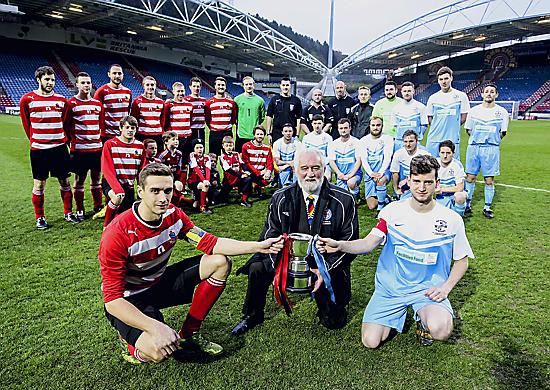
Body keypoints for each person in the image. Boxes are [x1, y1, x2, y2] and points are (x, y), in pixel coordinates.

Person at [99, 162, 283, 364]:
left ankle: (189, 333)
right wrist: (155, 327)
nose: (163, 198)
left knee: (220, 262)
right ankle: (129, 344)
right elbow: (113, 301)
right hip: (129, 299)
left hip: (159, 284)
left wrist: (259, 246)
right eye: (155, 191)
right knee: (159, 352)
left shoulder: (174, 215)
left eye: (167, 190)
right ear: (140, 191)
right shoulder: (117, 234)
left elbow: (211, 243)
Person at [316, 154, 474, 348]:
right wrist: (340, 245)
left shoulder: (451, 219)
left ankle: (423, 320)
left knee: (441, 330)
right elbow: (368, 243)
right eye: (416, 181)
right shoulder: (392, 212)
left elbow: (462, 261)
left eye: (427, 182)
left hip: (427, 290)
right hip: (391, 289)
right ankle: (393, 315)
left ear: (437, 183)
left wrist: (445, 288)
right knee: (370, 341)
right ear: (408, 180)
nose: (422, 188)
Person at [232, 149, 359, 335]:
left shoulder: (344, 200)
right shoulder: (281, 197)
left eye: (315, 168)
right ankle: (252, 314)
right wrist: (275, 249)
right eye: (304, 168)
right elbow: (269, 233)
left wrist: (324, 269)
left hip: (326, 263)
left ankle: (328, 303)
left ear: (324, 169)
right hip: (286, 258)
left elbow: (351, 242)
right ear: (295, 170)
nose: (310, 174)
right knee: (257, 266)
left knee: (334, 321)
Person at [20, 65, 79, 229]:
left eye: (52, 79)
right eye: (47, 79)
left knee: (65, 181)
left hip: (59, 148)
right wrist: (36, 141)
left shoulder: (61, 101)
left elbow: (66, 123)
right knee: (39, 184)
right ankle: (40, 218)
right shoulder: (27, 100)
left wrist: (62, 139)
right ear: (38, 79)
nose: (50, 82)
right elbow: (27, 124)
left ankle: (68, 212)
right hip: (39, 150)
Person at [463, 83, 509, 219]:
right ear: (482, 94)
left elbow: (503, 132)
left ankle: (487, 207)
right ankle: (467, 205)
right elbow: (468, 129)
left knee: (489, 180)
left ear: (496, 94)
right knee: (470, 177)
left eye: (492, 91)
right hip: (474, 147)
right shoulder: (474, 111)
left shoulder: (502, 112)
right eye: (486, 91)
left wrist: (492, 141)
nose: (489, 93)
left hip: (491, 148)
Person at [64, 71, 104, 220]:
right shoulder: (71, 103)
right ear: (77, 84)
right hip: (80, 150)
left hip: (96, 149)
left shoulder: (97, 104)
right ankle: (80, 209)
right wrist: (73, 143)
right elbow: (66, 126)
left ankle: (97, 205)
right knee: (79, 180)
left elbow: (100, 125)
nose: (86, 85)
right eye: (83, 83)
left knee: (96, 178)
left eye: (88, 82)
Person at [101, 115, 146, 227]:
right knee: (117, 197)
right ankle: (106, 226)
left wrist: (143, 187)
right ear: (121, 128)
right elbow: (107, 169)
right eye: (127, 127)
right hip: (111, 183)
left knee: (125, 218)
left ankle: (110, 211)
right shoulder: (110, 144)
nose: (130, 130)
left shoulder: (140, 146)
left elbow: (142, 170)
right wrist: (117, 188)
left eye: (133, 128)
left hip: (129, 186)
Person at [426, 67, 470, 158]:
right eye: (441, 79)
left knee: (452, 168)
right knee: (431, 168)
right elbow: (429, 118)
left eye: (446, 78)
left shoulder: (461, 96)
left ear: (451, 78)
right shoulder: (433, 98)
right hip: (434, 139)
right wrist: (438, 126)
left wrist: (453, 125)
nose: (444, 82)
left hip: (452, 139)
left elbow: (464, 116)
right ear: (438, 81)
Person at [358, 117, 394, 212]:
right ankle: (386, 198)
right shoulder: (363, 140)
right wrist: (371, 173)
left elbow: (387, 157)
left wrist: (381, 173)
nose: (375, 128)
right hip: (370, 174)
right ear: (369, 126)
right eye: (373, 125)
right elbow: (364, 160)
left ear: (382, 126)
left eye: (378, 125)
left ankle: (380, 208)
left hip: (384, 172)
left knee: (380, 181)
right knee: (371, 205)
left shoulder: (388, 139)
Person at [163, 81, 194, 190]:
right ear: (173, 92)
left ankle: (184, 185)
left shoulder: (189, 105)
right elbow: (165, 122)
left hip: (187, 138)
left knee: (185, 163)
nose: (180, 93)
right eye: (178, 91)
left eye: (182, 91)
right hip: (176, 139)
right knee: (174, 163)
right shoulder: (169, 105)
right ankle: (171, 184)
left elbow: (190, 120)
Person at [94, 64, 132, 142]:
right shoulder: (101, 92)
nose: (117, 76)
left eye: (119, 73)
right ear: (109, 74)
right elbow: (95, 115)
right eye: (114, 73)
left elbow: (127, 112)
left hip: (123, 134)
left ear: (123, 75)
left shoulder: (128, 92)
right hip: (107, 135)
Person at [390, 130, 431, 200]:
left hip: (420, 186)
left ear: (417, 141)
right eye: (405, 142)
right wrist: (396, 189)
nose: (408, 144)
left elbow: (428, 175)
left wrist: (408, 180)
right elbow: (395, 173)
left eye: (411, 141)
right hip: (404, 187)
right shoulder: (398, 154)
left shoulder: (424, 154)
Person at [328, 118, 362, 196]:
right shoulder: (333, 144)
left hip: (354, 174)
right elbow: (331, 161)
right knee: (342, 197)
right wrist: (339, 174)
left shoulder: (356, 142)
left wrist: (350, 175)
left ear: (350, 128)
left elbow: (359, 160)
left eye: (346, 128)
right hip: (341, 175)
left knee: (351, 183)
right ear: (338, 129)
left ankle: (356, 195)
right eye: (341, 128)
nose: (343, 130)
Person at [205, 76, 237, 156]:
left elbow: (233, 118)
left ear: (225, 87)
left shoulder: (231, 102)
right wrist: (214, 127)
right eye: (218, 85)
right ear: (215, 86)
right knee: (213, 157)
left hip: (227, 132)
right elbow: (207, 119)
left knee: (229, 157)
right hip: (214, 133)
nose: (220, 87)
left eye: (222, 85)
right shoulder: (209, 102)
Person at [131, 76, 165, 151]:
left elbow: (162, 120)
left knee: (158, 158)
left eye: (152, 85)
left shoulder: (161, 102)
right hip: (142, 135)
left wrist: (161, 131)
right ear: (143, 86)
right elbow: (134, 119)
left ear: (155, 86)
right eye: (147, 85)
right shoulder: (137, 101)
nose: (150, 87)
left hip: (157, 135)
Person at [218, 136, 253, 207]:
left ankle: (244, 200)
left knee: (248, 179)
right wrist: (241, 175)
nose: (229, 148)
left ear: (233, 145)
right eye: (227, 146)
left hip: (238, 178)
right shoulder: (222, 157)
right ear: (223, 146)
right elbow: (229, 170)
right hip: (229, 181)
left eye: (230, 145)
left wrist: (247, 171)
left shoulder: (236, 154)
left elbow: (242, 164)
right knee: (220, 199)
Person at [234, 76, 266, 152]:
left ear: (253, 85)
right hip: (241, 135)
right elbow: (234, 116)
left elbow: (262, 117)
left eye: (250, 84)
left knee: (254, 159)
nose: (249, 86)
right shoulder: (237, 100)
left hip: (254, 135)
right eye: (246, 84)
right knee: (240, 159)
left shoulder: (260, 100)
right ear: (243, 86)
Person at [266, 77, 302, 143]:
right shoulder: (274, 99)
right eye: (283, 85)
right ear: (280, 86)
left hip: (290, 132)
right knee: (276, 152)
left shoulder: (296, 100)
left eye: (287, 85)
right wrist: (268, 133)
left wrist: (297, 134)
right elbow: (269, 116)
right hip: (277, 132)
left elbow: (299, 118)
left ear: (290, 86)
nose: (285, 87)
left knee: (291, 152)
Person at [393, 81, 428, 151]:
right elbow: (395, 126)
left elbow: (424, 125)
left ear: (413, 91)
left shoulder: (421, 107)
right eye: (405, 91)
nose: (407, 93)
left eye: (409, 91)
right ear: (401, 92)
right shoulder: (396, 108)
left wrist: (418, 137)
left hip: (415, 143)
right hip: (400, 142)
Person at [436, 140, 467, 217]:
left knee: (460, 196)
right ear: (439, 153)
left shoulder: (457, 165)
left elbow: (460, 188)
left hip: (452, 194)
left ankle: (459, 218)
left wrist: (442, 190)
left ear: (453, 153)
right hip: (438, 194)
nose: (445, 156)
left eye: (448, 153)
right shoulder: (434, 163)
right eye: (442, 153)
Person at [241, 126, 274, 197]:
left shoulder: (267, 148)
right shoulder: (246, 146)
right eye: (257, 134)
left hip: (261, 172)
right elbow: (246, 163)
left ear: (264, 135)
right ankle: (245, 191)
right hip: (250, 172)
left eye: (261, 134)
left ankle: (257, 187)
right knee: (247, 179)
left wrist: (268, 172)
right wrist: (258, 173)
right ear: (254, 135)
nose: (259, 136)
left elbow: (270, 163)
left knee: (269, 179)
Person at [158, 131, 187, 207]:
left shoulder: (179, 153)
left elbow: (179, 168)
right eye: (173, 139)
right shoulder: (162, 155)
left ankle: (175, 206)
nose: (176, 141)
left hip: (174, 177)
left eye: (177, 139)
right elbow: (158, 169)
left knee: (179, 185)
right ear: (166, 142)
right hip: (164, 178)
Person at [187, 139, 216, 214]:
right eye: (197, 148)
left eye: (201, 147)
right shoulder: (192, 156)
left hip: (203, 180)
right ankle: (203, 207)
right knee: (204, 186)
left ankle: (198, 200)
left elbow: (207, 170)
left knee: (196, 204)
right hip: (193, 181)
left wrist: (207, 180)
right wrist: (204, 180)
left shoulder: (207, 157)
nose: (199, 150)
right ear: (193, 149)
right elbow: (196, 169)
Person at [302, 114, 333, 180]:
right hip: (310, 165)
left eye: (319, 123)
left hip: (324, 164)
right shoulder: (306, 138)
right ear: (312, 124)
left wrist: (321, 164)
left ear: (323, 124)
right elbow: (304, 155)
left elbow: (330, 155)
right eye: (315, 123)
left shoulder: (328, 138)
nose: (317, 126)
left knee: (327, 177)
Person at [185, 77, 207, 141]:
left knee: (200, 149)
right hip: (190, 129)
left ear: (200, 87)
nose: (196, 88)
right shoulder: (186, 100)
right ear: (190, 87)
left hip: (201, 129)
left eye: (198, 86)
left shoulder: (204, 100)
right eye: (194, 86)